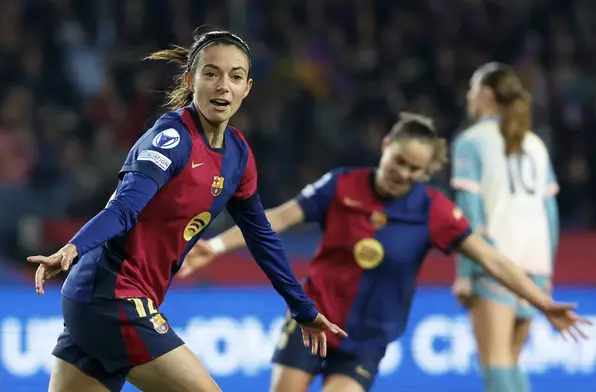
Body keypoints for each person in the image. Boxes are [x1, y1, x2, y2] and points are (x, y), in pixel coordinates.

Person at [26, 30, 347, 392]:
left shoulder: (238, 156)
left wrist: (302, 308)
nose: (223, 86)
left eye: (235, 77)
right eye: (211, 74)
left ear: (247, 88)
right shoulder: (173, 139)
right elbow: (125, 208)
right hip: (112, 295)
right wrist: (72, 248)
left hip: (96, 300)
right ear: (190, 80)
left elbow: (261, 236)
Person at [180, 112, 590, 392]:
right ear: (386, 144)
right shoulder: (341, 185)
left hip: (367, 340)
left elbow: (493, 259)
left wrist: (541, 301)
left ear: (427, 172)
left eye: (415, 170)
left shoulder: (433, 210)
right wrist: (214, 246)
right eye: (399, 162)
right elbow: (277, 219)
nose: (404, 174)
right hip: (313, 321)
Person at [450, 62, 561, 392]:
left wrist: (466, 272)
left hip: (495, 262)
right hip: (535, 265)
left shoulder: (471, 141)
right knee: (510, 360)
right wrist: (546, 273)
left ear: (485, 95)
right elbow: (550, 214)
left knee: (495, 360)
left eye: (472, 89)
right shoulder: (535, 144)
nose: (469, 96)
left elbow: (468, 212)